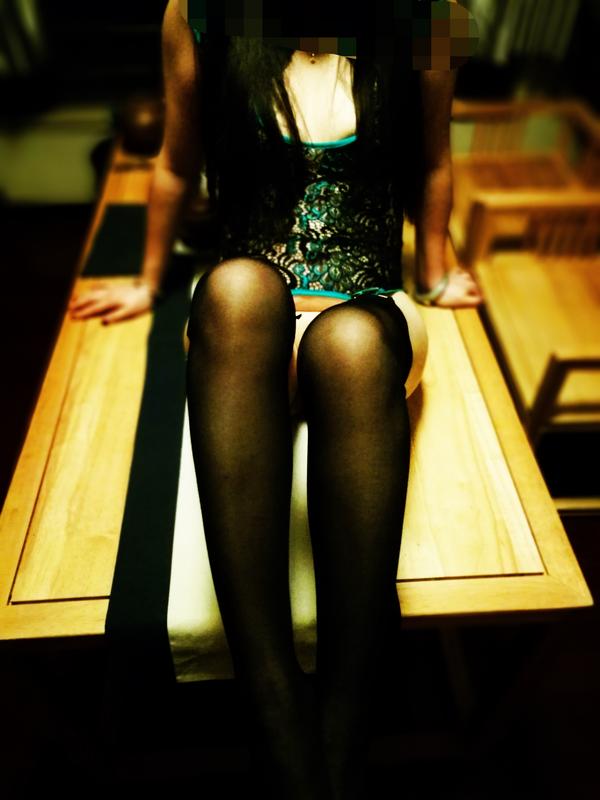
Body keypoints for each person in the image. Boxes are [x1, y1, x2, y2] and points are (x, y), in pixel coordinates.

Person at [69, 2, 483, 797]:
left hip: (367, 309)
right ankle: (273, 707)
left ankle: (345, 727)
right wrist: (147, 282)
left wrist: (434, 272)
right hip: (247, 327)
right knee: (234, 287)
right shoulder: (198, 16)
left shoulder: (433, 18)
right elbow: (175, 160)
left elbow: (434, 161)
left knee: (349, 344)